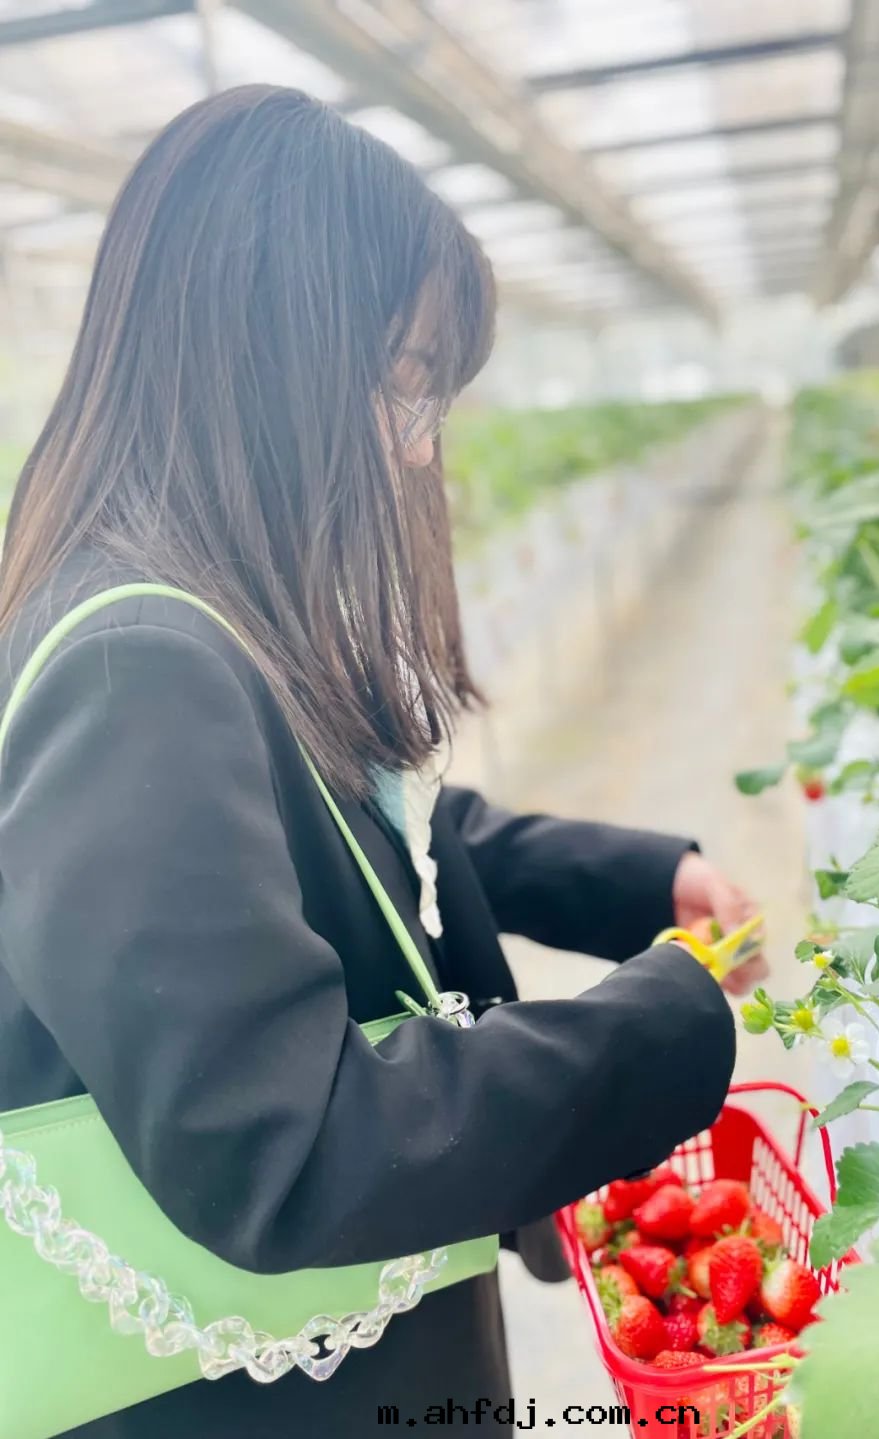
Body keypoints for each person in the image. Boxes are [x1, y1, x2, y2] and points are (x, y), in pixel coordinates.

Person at [0, 85, 764, 1437]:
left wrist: (628, 881)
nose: (419, 447)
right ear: (266, 359)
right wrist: (658, 1025)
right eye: (406, 380)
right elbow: (287, 1143)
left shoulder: (198, 612)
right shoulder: (135, 667)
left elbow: (356, 827)